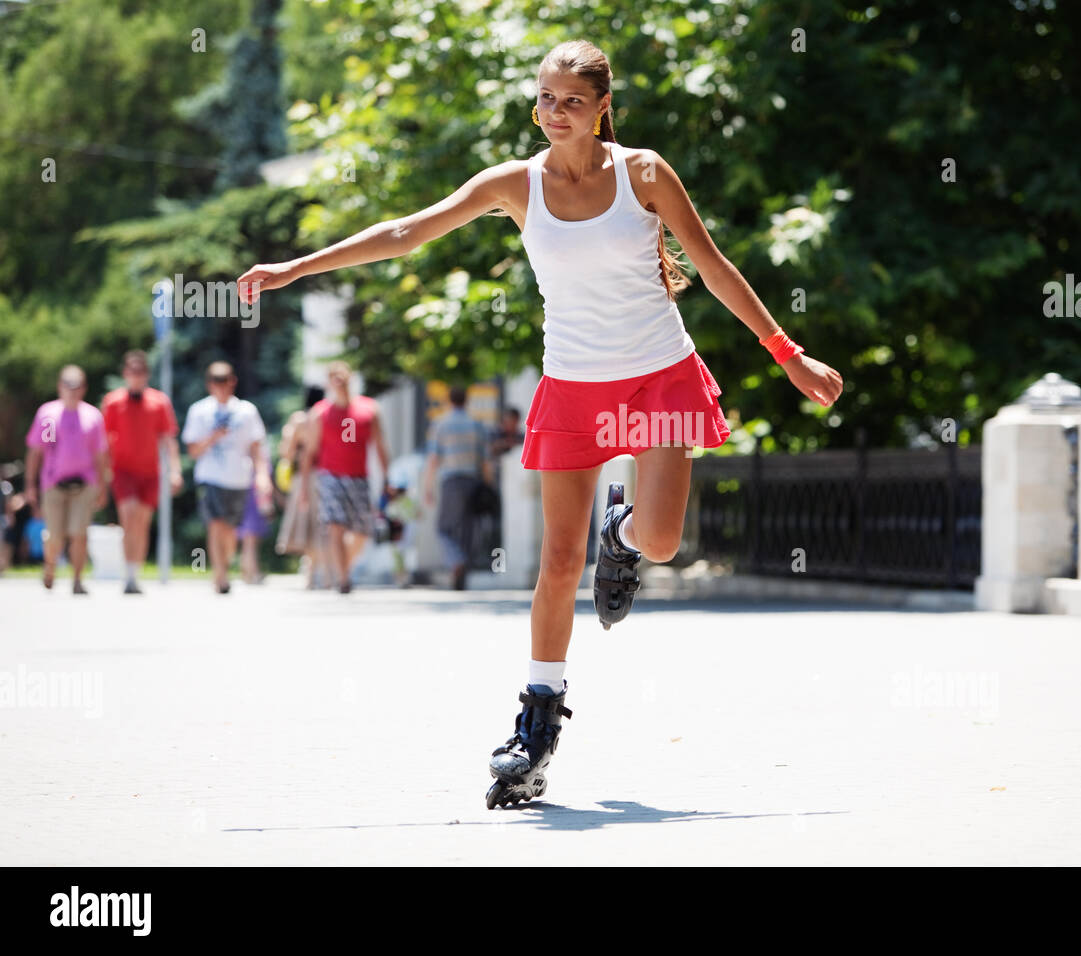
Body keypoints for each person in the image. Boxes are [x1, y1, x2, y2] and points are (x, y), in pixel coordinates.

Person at [236, 39, 842, 807]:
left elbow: (714, 265)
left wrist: (787, 354)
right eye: (547, 100)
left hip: (658, 378)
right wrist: (293, 269)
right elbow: (405, 232)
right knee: (557, 561)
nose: (557, 114)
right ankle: (537, 720)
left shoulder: (645, 174)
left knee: (659, 541)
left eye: (574, 101)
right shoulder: (514, 185)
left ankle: (619, 537)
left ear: (602, 108)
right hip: (575, 390)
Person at [181, 362, 271, 594]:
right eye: (216, 381)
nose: (221, 387)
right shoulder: (199, 411)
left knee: (230, 531)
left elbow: (256, 447)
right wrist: (213, 437)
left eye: (225, 381)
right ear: (209, 384)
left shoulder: (247, 411)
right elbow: (192, 451)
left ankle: (225, 563)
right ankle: (220, 576)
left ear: (233, 382)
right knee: (215, 524)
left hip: (239, 478)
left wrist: (262, 475)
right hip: (210, 476)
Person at [300, 361, 388, 594]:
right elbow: (310, 452)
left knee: (361, 532)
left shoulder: (369, 409)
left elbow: (380, 446)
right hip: (330, 477)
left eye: (341, 375)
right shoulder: (319, 413)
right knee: (335, 526)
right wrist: (303, 491)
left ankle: (341, 568)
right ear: (328, 382)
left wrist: (387, 478)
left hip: (359, 477)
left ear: (350, 378)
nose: (338, 380)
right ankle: (344, 579)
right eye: (333, 376)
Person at [23, 366, 112, 594]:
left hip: (85, 483)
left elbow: (100, 455)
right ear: (59, 387)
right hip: (54, 483)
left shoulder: (92, 416)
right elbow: (38, 451)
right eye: (67, 386)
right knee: (55, 535)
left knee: (79, 533)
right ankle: (50, 567)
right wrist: (30, 485)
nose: (72, 391)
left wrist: (103, 486)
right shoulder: (49, 415)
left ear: (83, 388)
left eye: (76, 386)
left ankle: (77, 579)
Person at [100, 350, 182, 594]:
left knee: (142, 522)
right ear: (125, 374)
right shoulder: (113, 402)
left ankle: (135, 573)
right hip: (123, 470)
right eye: (131, 372)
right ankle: (128, 574)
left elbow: (168, 440)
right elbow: (105, 440)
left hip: (149, 472)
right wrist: (104, 472)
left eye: (140, 372)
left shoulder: (159, 402)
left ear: (145, 375)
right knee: (128, 516)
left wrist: (175, 470)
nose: (135, 377)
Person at [421, 385, 492, 591]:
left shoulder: (440, 424)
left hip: (451, 481)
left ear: (449, 401)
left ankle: (456, 561)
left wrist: (428, 487)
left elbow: (433, 459)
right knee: (468, 529)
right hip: (473, 481)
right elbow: (485, 460)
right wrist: (489, 486)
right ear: (466, 400)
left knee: (444, 528)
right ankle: (463, 569)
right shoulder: (476, 424)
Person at [275, 385, 327, 587]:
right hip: (325, 475)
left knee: (307, 525)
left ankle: (310, 574)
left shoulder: (299, 419)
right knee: (322, 526)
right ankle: (322, 572)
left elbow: (286, 451)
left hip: (304, 477)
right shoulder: (326, 417)